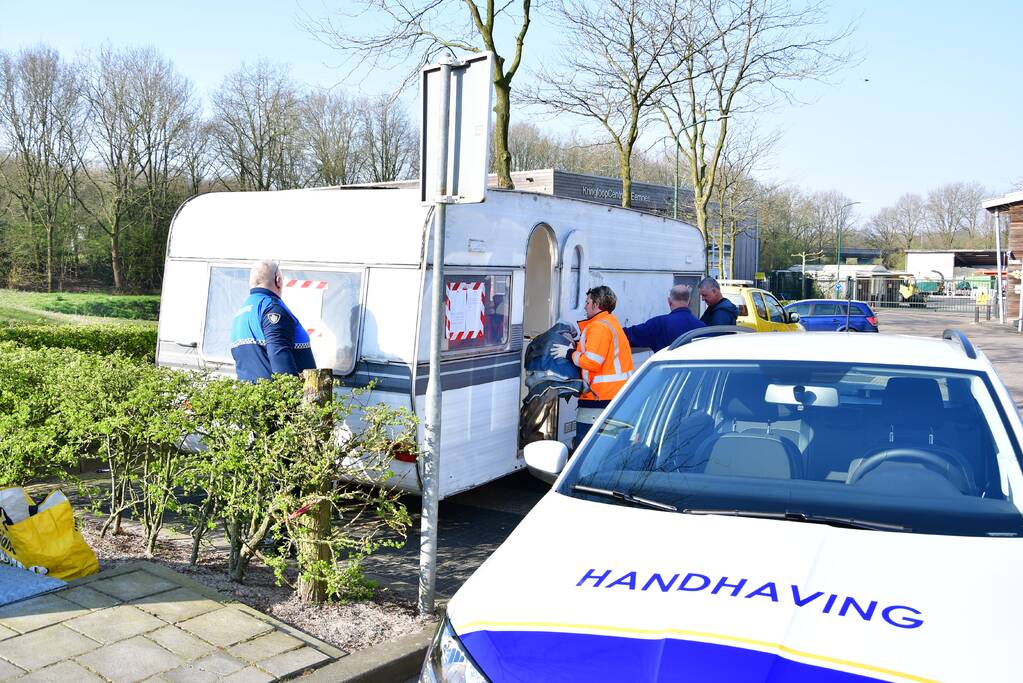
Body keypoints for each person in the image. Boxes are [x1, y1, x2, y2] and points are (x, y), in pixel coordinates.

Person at [551, 285, 634, 448]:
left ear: (596, 304)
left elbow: (592, 362)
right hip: (612, 396)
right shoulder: (610, 322)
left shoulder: (599, 327)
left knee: (585, 448)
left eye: (587, 301)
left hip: (598, 399)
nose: (584, 305)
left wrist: (568, 353)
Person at [230, 259, 316, 382]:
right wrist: (293, 395)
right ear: (278, 280)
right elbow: (279, 357)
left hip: (250, 394)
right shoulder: (272, 309)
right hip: (274, 397)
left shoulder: (241, 313)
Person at [622, 284, 706, 352]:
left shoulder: (658, 324)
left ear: (669, 301)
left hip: (666, 371)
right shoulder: (702, 327)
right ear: (690, 301)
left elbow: (626, 336)